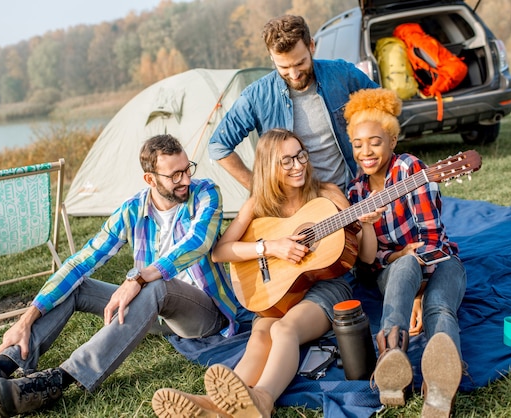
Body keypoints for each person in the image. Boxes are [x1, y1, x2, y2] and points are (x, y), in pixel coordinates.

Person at [0, 134, 244, 417]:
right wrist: (26, 319)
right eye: (175, 174)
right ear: (150, 178)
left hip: (202, 315)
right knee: (78, 286)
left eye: (187, 168)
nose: (185, 179)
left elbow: (197, 243)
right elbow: (81, 261)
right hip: (154, 312)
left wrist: (136, 279)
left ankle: (58, 380)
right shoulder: (132, 210)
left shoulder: (206, 193)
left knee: (155, 284)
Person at [151, 128, 383, 418]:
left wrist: (369, 224)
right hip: (278, 289)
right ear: (269, 165)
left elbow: (367, 255)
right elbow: (221, 251)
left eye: (300, 155)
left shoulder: (328, 194)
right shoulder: (258, 203)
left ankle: (262, 399)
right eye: (286, 160)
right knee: (260, 335)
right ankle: (215, 405)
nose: (298, 165)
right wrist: (270, 247)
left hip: (327, 287)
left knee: (284, 330)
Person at [344, 88, 466, 417]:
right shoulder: (355, 191)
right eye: (357, 144)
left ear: (392, 141)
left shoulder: (412, 171)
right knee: (404, 263)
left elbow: (431, 240)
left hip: (441, 263)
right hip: (395, 273)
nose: (365, 151)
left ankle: (440, 388)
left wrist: (418, 294)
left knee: (439, 308)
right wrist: (392, 253)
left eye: (375, 141)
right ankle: (391, 363)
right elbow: (368, 262)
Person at [208, 14, 378, 193]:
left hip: (351, 191)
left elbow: (384, 105)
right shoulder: (256, 96)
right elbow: (218, 146)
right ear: (272, 58)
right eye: (284, 68)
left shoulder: (341, 74)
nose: (294, 74)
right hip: (298, 208)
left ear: (311, 46)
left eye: (300, 63)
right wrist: (260, 191)